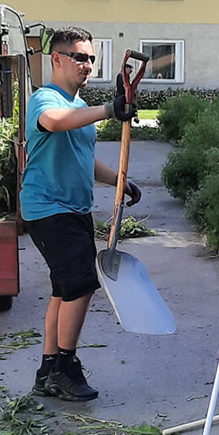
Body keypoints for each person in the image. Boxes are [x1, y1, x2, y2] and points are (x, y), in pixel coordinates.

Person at [21, 28, 140, 402]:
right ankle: (65, 367)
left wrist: (120, 181)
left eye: (90, 58)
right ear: (56, 59)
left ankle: (48, 368)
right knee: (80, 283)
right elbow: (54, 123)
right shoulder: (46, 99)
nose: (86, 65)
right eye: (78, 57)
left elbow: (85, 160)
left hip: (73, 208)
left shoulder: (77, 105)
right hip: (48, 207)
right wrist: (109, 109)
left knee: (63, 289)